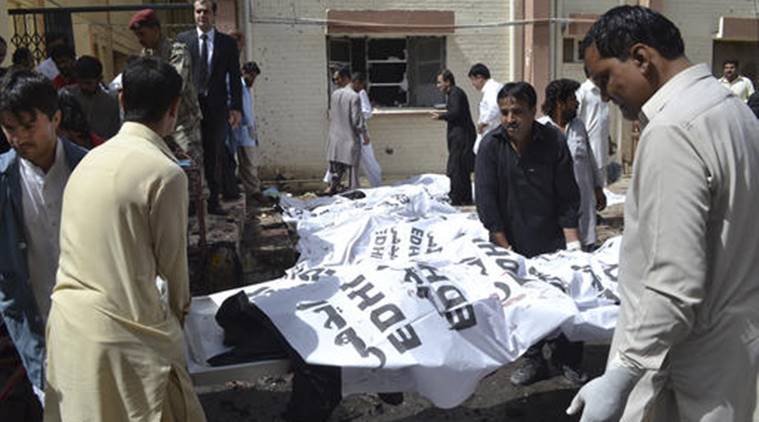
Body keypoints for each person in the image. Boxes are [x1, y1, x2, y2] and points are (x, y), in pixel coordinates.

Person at [568, 6, 759, 422]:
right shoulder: (733, 111)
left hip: (684, 371)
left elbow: (674, 281)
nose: (603, 95)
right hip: (733, 357)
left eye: (605, 78)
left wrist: (622, 374)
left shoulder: (673, 129)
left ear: (641, 59)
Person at [44, 56, 206, 422]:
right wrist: (181, 323)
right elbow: (174, 268)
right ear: (175, 109)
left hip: (69, 330)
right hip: (126, 342)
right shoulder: (166, 174)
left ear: (120, 101)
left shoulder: (87, 162)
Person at [475, 82, 585, 386]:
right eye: (505, 112)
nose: (510, 119)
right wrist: (505, 250)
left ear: (533, 111)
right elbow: (486, 203)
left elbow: (567, 194)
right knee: (523, 305)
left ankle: (568, 359)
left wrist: (573, 245)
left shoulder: (552, 140)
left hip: (552, 240)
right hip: (511, 242)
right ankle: (533, 359)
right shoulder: (490, 146)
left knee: (565, 302)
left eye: (517, 112)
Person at [0, 70, 87, 405]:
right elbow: (8, 283)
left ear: (55, 118)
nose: (19, 138)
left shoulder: (91, 169)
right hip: (42, 337)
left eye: (28, 126)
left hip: (97, 329)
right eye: (9, 128)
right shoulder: (5, 182)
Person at [177, 0, 243, 216]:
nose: (201, 15)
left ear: (214, 14)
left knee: (213, 154)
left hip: (216, 109)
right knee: (188, 155)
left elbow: (234, 77)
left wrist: (236, 108)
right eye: (198, 11)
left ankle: (213, 201)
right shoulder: (183, 41)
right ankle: (192, 203)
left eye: (206, 11)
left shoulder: (226, 44)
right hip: (189, 108)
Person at [130, 9, 204, 173]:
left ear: (156, 30)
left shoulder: (177, 52)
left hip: (183, 125)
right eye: (137, 36)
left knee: (191, 170)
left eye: (142, 34)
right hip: (158, 124)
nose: (140, 40)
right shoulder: (145, 56)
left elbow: (173, 85)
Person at [538, 79, 606, 251]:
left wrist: (598, 188)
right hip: (553, 205)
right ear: (560, 103)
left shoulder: (579, 127)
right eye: (572, 99)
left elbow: (589, 159)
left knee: (585, 250)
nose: (577, 104)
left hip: (583, 202)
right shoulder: (540, 129)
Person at [431, 69, 476, 205]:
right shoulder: (453, 94)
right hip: (461, 135)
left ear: (448, 81)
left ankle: (457, 198)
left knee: (456, 168)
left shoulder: (456, 93)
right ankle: (464, 197)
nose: (438, 86)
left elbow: (455, 112)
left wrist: (441, 116)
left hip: (461, 137)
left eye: (440, 82)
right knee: (461, 168)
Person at [234, 61, 269, 205]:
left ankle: (253, 190)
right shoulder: (239, 87)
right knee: (248, 164)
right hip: (242, 133)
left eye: (254, 78)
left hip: (249, 132)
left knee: (250, 163)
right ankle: (254, 192)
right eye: (251, 77)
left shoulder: (246, 89)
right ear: (244, 72)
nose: (253, 80)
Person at [326, 67, 365, 194]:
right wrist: (364, 134)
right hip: (349, 139)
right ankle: (353, 192)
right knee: (352, 171)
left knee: (336, 170)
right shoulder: (354, 97)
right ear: (350, 79)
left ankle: (332, 189)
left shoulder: (334, 94)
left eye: (337, 79)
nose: (336, 82)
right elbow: (356, 121)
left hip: (335, 139)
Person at [63, 55, 121, 140]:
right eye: (80, 83)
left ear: (99, 79)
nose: (83, 87)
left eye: (88, 83)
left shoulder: (110, 102)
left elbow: (114, 134)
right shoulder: (67, 96)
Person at [576, 66, 611, 185]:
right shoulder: (583, 92)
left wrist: (608, 139)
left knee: (601, 181)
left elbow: (603, 119)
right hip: (589, 143)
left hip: (601, 143)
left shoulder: (603, 92)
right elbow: (576, 118)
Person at [352, 71, 383, 187]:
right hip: (357, 131)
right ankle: (376, 183)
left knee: (365, 159)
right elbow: (366, 113)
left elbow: (364, 113)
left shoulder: (356, 93)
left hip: (354, 131)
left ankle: (376, 183)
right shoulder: (358, 93)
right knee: (367, 159)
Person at [468, 63, 503, 154]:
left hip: (491, 131)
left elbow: (495, 107)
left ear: (479, 77)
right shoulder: (494, 87)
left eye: (473, 80)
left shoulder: (492, 89)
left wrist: (483, 123)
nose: (473, 84)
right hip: (491, 131)